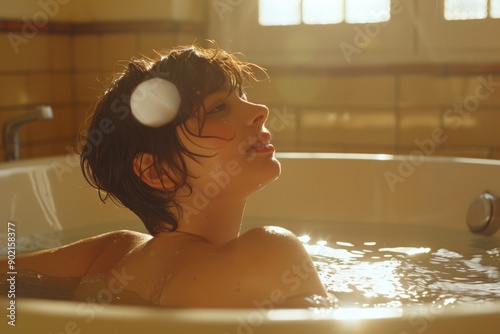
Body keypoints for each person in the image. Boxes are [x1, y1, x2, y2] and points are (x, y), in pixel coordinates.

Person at [1, 44, 329, 308]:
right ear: (158, 172)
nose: (260, 110)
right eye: (219, 108)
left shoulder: (108, 255)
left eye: (240, 96)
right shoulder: (271, 254)